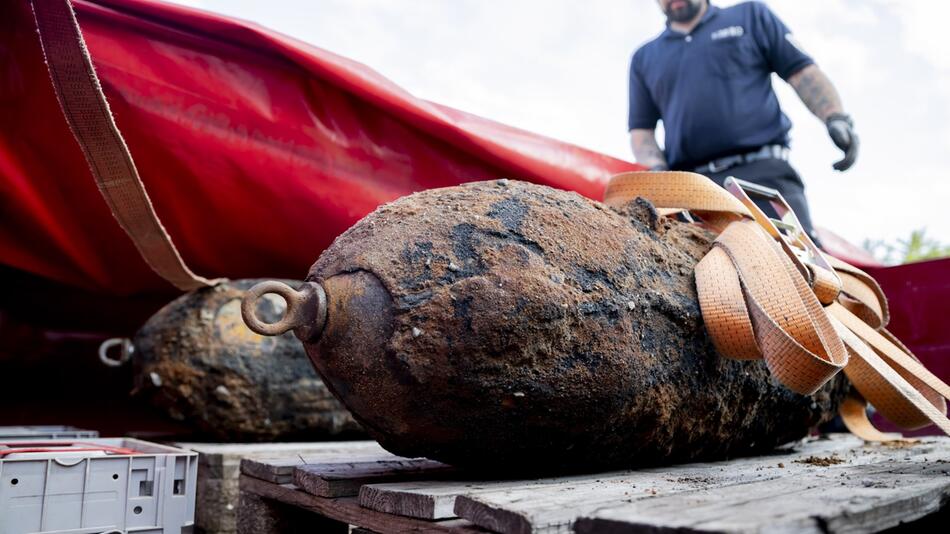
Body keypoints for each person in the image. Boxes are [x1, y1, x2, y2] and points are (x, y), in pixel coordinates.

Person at [628, 0, 858, 238]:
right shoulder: (644, 57)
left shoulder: (750, 16)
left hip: (766, 181)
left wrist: (835, 117)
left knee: (800, 265)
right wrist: (658, 173)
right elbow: (641, 131)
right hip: (692, 192)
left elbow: (802, 73)